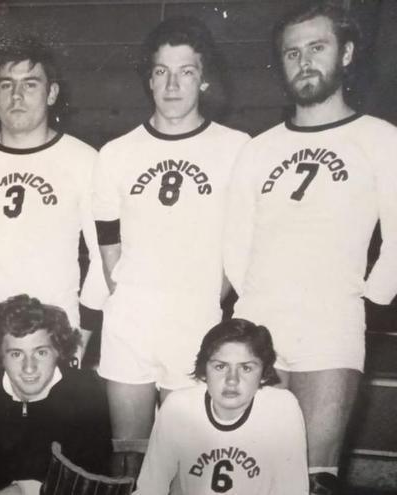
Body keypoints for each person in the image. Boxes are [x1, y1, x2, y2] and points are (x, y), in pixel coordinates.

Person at [223, 3, 397, 492]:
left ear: (346, 54)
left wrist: (370, 297)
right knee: (248, 470)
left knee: (315, 476)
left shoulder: (380, 139)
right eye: (292, 53)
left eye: (317, 48)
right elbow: (235, 243)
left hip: (331, 325)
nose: (304, 62)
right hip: (260, 326)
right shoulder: (258, 149)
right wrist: (255, 305)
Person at [92, 17, 250, 479]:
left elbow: (242, 241)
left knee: (187, 464)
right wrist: (128, 293)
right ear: (149, 79)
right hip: (130, 325)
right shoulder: (117, 152)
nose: (173, 83)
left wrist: (205, 296)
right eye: (162, 71)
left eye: (185, 71)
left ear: (203, 78)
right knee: (128, 460)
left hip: (196, 322)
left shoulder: (236, 148)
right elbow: (106, 238)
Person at [0, 37, 106, 385]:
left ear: (51, 93)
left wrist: (81, 335)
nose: (16, 97)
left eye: (30, 85)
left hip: (58, 331)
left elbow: (102, 257)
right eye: (6, 85)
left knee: (54, 437)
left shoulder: (84, 161)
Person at [0, 295, 112, 495]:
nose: (29, 367)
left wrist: (29, 489)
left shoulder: (86, 394)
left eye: (41, 352)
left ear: (58, 351)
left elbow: (94, 478)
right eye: (16, 354)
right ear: (0, 356)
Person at [135, 319, 309, 494]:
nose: (232, 380)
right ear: (204, 371)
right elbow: (150, 488)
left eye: (246, 368)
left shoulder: (282, 409)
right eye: (220, 366)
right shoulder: (178, 407)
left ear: (264, 374)